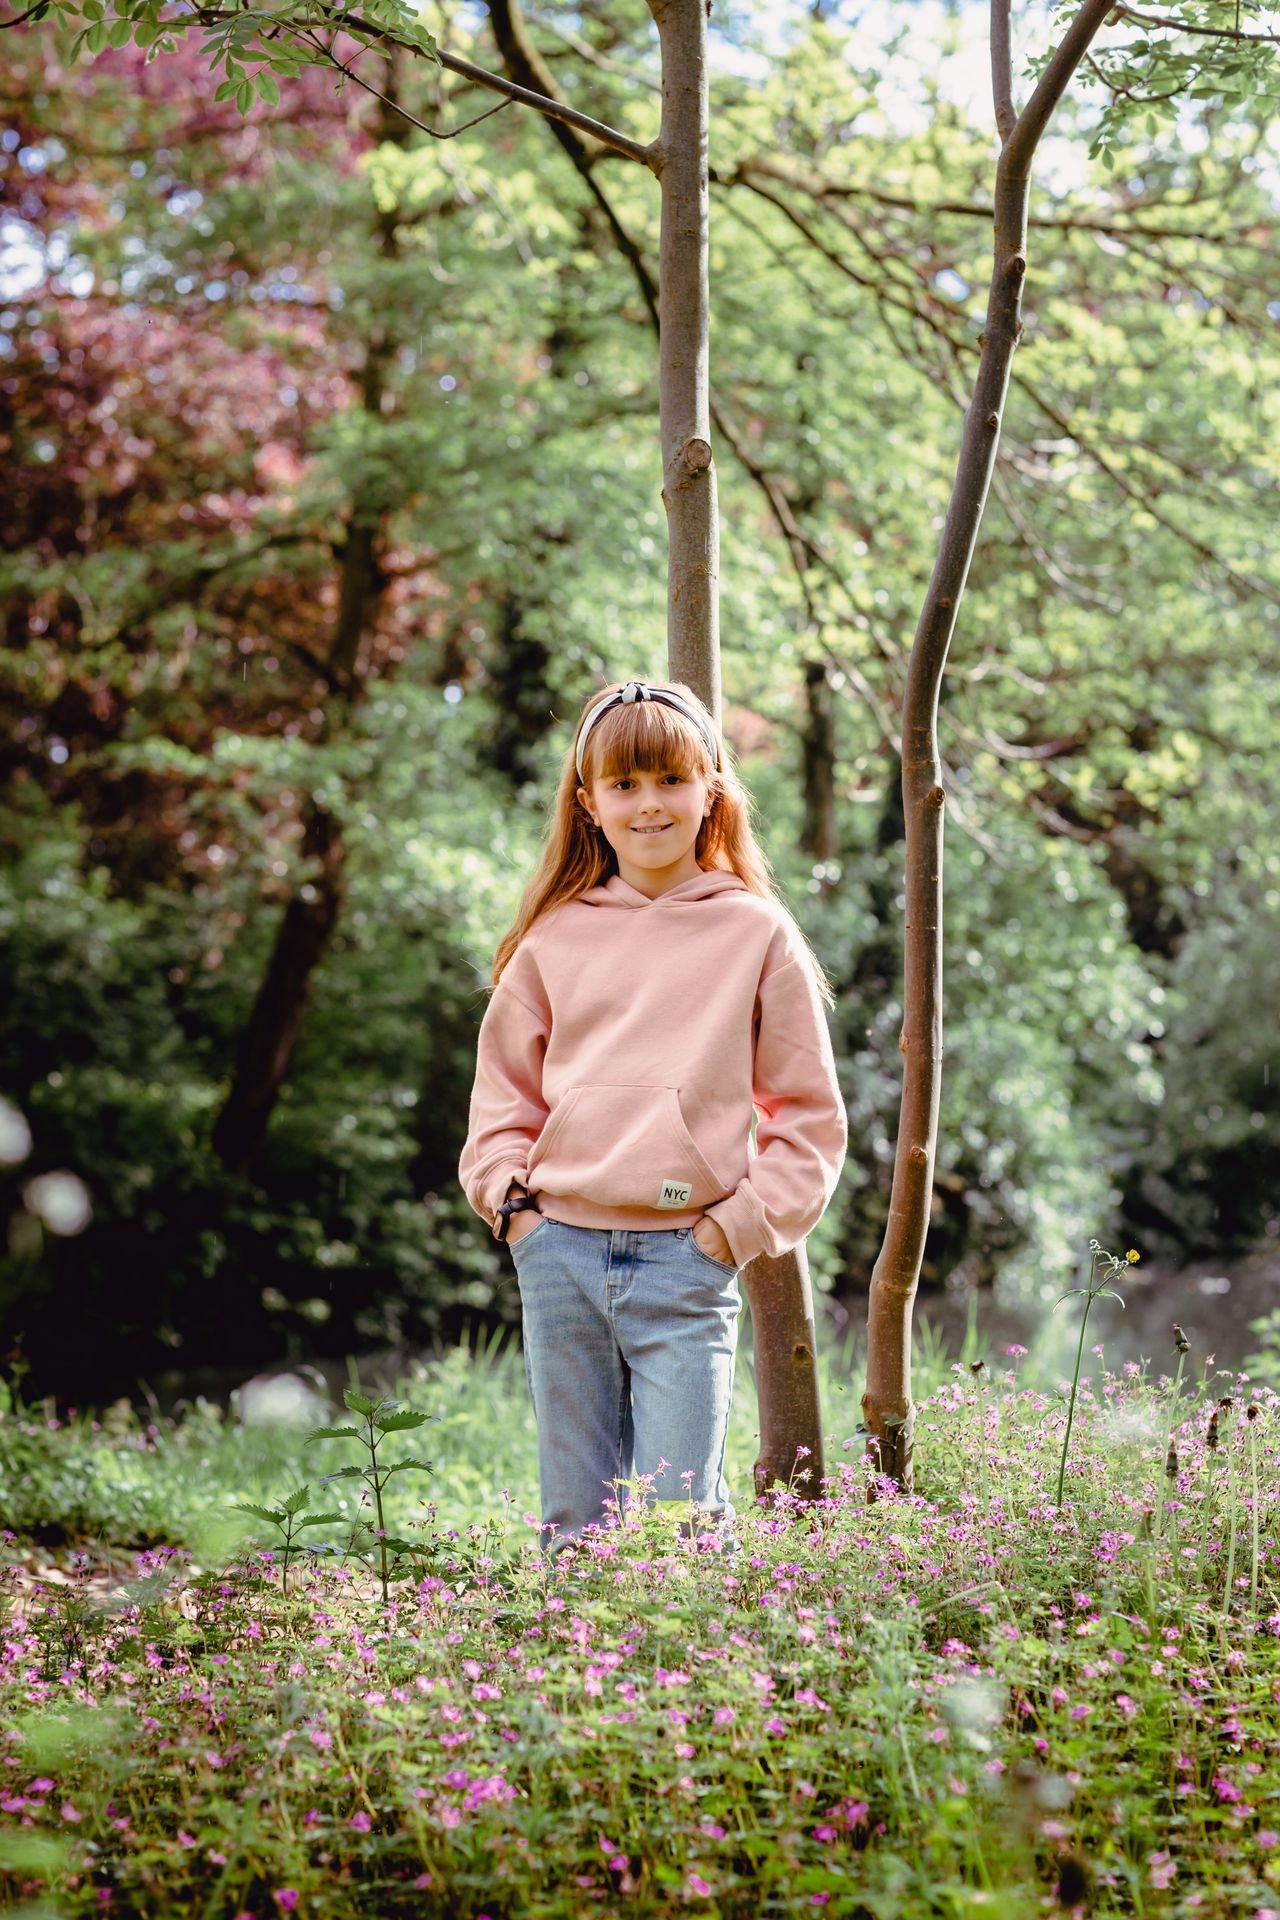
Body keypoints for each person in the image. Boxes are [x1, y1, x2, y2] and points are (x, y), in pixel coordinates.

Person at [458, 679, 847, 1558]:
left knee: (682, 1520)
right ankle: (572, 1689)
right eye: (624, 786)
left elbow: (809, 1116)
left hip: (686, 1260)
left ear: (711, 786)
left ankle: (696, 1690)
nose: (649, 804)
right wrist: (512, 1209)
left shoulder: (757, 933)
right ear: (589, 804)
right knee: (574, 1523)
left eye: (670, 779)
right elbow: (501, 1100)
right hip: (558, 1254)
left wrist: (737, 1227)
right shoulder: (554, 937)